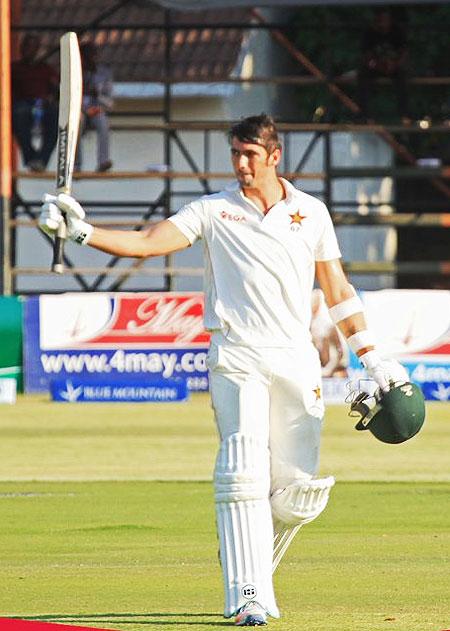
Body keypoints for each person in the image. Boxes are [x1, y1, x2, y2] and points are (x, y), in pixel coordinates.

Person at [39, 114, 407, 627]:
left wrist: (373, 356)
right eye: (235, 153)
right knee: (241, 471)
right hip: (236, 354)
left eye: (250, 155)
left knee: (297, 493)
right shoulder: (213, 211)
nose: (240, 164)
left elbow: (338, 290)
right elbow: (148, 242)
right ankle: (247, 593)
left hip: (295, 356)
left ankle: (247, 552)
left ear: (274, 156)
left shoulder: (311, 212)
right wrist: (81, 232)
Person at [11, 33, 59, 172]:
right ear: (21, 49)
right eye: (27, 47)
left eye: (33, 48)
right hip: (22, 104)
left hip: (44, 104)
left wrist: (51, 96)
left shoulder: (45, 68)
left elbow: (57, 87)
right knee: (18, 116)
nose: (29, 51)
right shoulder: (14, 68)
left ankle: (42, 160)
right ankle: (30, 157)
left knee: (57, 117)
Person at [357, 8, 411, 123]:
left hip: (394, 66)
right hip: (376, 66)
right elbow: (366, 56)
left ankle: (404, 113)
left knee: (402, 77)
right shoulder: (370, 33)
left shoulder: (397, 31)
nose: (383, 23)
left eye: (385, 20)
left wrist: (395, 64)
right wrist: (377, 65)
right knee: (363, 76)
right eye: (380, 20)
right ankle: (364, 113)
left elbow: (404, 52)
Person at [75, 41, 113, 172]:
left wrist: (98, 97)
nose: (90, 59)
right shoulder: (74, 73)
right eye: (86, 56)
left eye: (92, 55)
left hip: (97, 110)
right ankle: (76, 165)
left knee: (103, 123)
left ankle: (103, 161)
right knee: (76, 123)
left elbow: (110, 103)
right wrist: (83, 109)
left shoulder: (104, 74)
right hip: (78, 111)